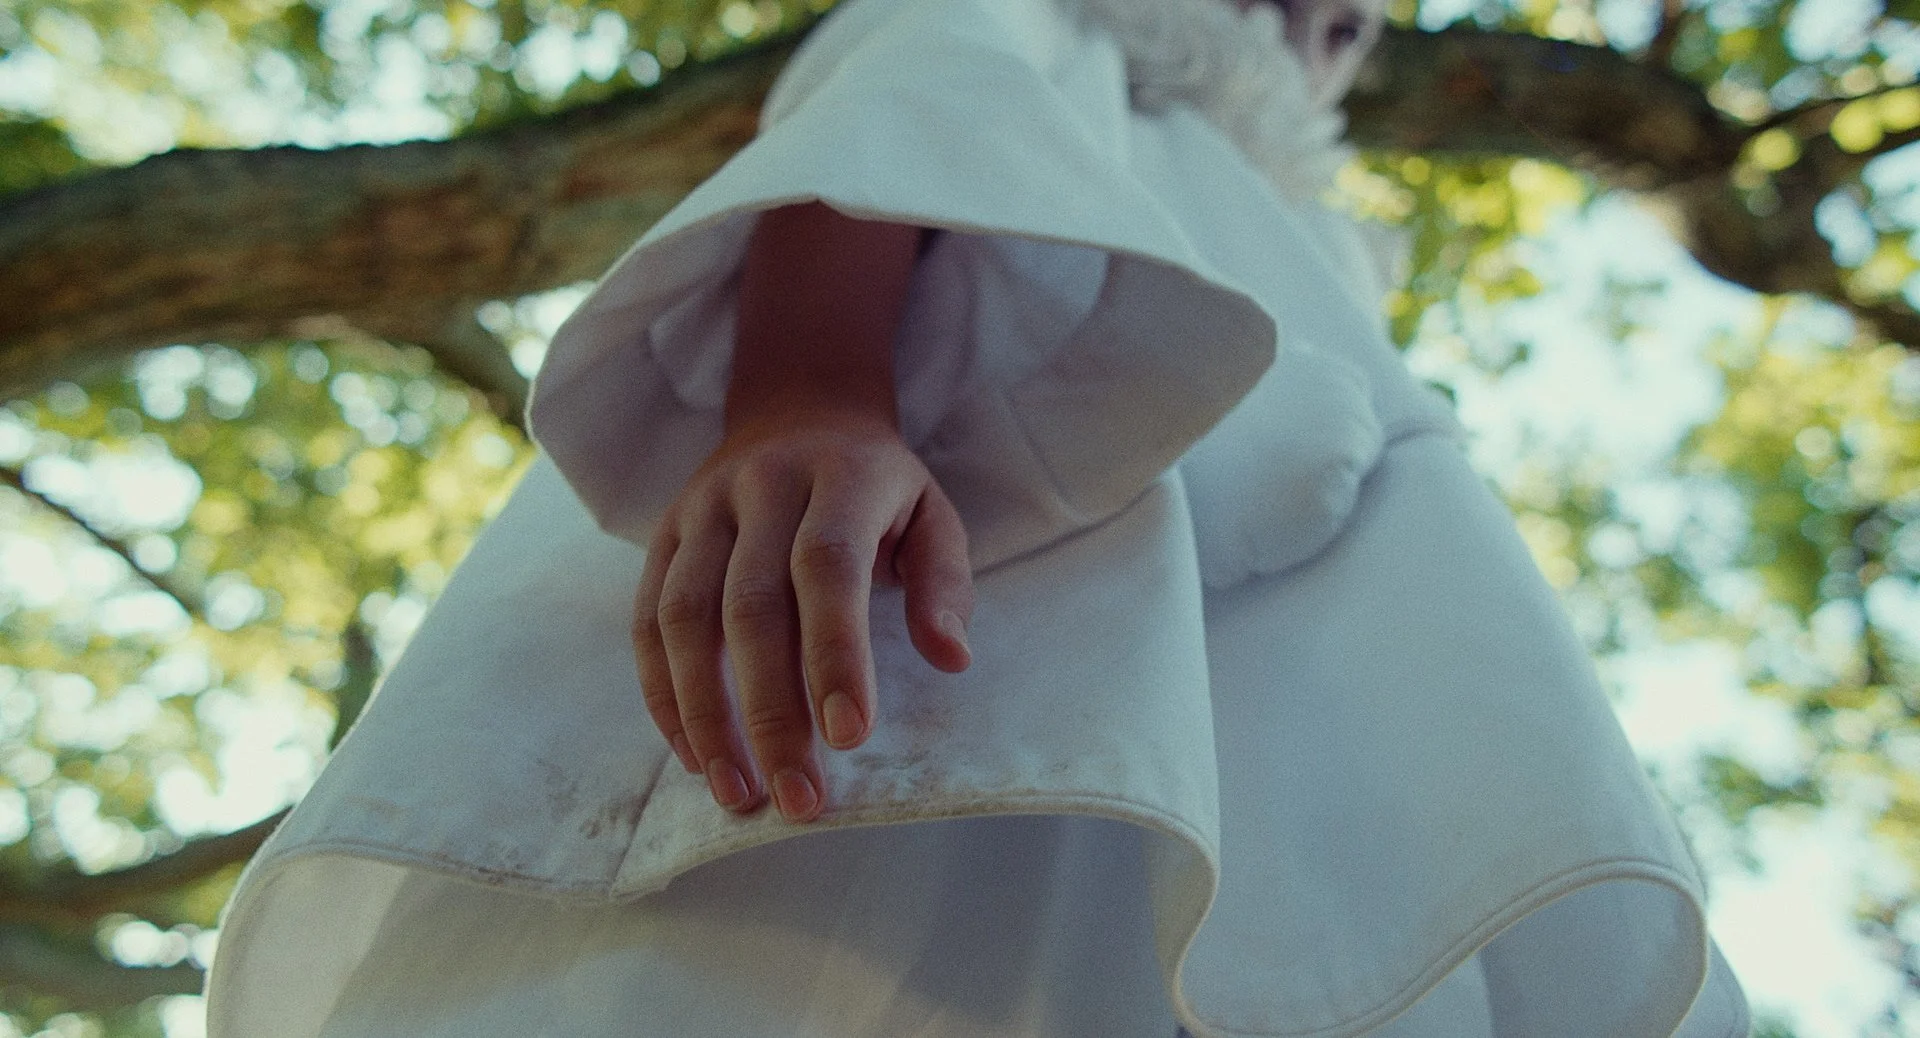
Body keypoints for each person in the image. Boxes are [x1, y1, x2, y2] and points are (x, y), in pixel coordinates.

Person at [205, 0, 1755, 1035]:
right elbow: (921, 79)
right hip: (957, 541)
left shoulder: (1269, 192)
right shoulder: (1078, 26)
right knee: (852, 904)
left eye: (1353, 22)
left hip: (1268, 641)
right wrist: (808, 388)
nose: (1334, 24)